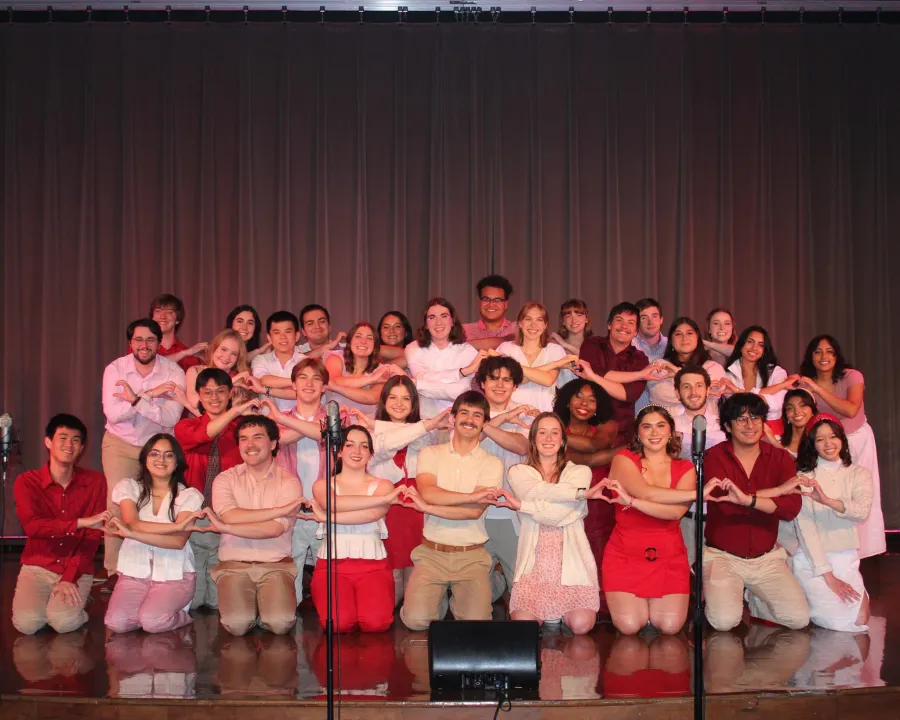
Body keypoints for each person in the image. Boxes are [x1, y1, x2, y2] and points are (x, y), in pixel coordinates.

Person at [701, 393, 809, 632]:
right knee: (724, 622)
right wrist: (775, 494)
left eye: (755, 418)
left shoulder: (780, 457)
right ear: (727, 426)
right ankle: (720, 587)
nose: (749, 425)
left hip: (766, 557)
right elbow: (724, 504)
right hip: (723, 556)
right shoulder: (713, 457)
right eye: (741, 419)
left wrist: (747, 499)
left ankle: (755, 598)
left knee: (799, 619)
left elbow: (791, 508)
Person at [399, 391, 505, 630]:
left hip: (472, 556)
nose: (470, 419)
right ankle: (441, 599)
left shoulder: (492, 463)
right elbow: (428, 492)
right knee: (416, 621)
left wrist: (430, 508)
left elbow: (473, 512)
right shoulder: (430, 453)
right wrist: (471, 496)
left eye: (477, 415)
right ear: (453, 418)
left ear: (485, 423)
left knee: (476, 625)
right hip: (432, 553)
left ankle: (494, 582)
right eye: (464, 413)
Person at [204, 415, 311, 636]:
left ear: (273, 443)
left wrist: (226, 528)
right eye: (243, 439)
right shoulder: (225, 479)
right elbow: (230, 516)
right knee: (237, 625)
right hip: (234, 564)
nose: (249, 444)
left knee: (280, 624)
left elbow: (274, 529)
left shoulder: (289, 481)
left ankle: (263, 610)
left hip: (275, 565)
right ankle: (253, 610)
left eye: (257, 437)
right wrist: (278, 511)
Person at [594, 407, 696, 635]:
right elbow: (645, 492)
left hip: (668, 557)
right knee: (629, 626)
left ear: (671, 431)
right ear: (638, 433)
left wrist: (631, 502)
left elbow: (675, 513)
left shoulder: (685, 468)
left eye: (660, 426)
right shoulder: (624, 459)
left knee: (670, 627)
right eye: (646, 427)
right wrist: (696, 494)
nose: (654, 432)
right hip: (625, 555)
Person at [101, 318, 187, 586]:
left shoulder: (173, 371)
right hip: (120, 444)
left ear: (159, 343)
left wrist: (136, 399)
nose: (144, 345)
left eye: (150, 339)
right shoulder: (115, 369)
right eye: (138, 339)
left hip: (158, 447)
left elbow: (170, 418)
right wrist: (151, 395)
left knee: (159, 503)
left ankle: (154, 567)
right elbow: (114, 414)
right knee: (118, 504)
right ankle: (114, 571)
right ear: (130, 343)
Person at [766, 416, 872, 632]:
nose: (828, 444)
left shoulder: (859, 473)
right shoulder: (804, 478)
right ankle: (803, 593)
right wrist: (828, 576)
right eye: (820, 439)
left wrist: (827, 501)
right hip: (812, 559)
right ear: (812, 444)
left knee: (861, 619)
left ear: (842, 439)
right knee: (840, 623)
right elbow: (806, 531)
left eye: (833, 437)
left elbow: (862, 511)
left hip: (846, 557)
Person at [355, 376, 450, 605]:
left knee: (415, 567)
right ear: (384, 401)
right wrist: (425, 424)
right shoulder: (369, 432)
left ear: (414, 403)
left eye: (406, 399)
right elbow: (385, 445)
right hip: (387, 505)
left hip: (417, 504)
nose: (399, 404)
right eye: (393, 398)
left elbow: (418, 442)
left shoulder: (425, 432)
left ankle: (410, 613)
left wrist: (424, 426)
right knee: (393, 570)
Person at [503, 413, 599, 634]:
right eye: (542, 432)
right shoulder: (518, 472)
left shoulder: (580, 472)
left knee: (582, 625)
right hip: (533, 565)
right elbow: (536, 494)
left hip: (572, 564)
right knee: (524, 628)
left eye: (554, 433)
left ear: (562, 439)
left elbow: (558, 515)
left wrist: (524, 506)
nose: (548, 438)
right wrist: (578, 494)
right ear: (533, 439)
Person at [12, 414, 108, 635]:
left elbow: (92, 537)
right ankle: (56, 604)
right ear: (48, 442)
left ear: (82, 447)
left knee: (62, 622)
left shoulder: (95, 482)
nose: (69, 445)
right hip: (38, 567)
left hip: (76, 567)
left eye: (75, 440)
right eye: (62, 438)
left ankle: (78, 604)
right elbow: (32, 527)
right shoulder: (27, 482)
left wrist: (69, 578)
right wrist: (79, 523)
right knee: (27, 625)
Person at [104, 434, 204, 634]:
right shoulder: (130, 488)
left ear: (177, 462)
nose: (161, 460)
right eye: (154, 454)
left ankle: (181, 615)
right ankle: (149, 610)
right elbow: (133, 523)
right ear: (145, 460)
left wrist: (133, 533)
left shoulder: (189, 495)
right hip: (134, 573)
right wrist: (176, 526)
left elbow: (178, 542)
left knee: (152, 622)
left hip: (174, 575)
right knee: (117, 623)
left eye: (169, 455)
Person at [797, 334, 885, 558]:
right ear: (810, 356)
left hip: (857, 439)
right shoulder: (805, 383)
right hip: (828, 445)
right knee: (830, 493)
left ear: (837, 356)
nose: (823, 356)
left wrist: (817, 389)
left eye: (829, 352)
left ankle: (864, 551)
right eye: (818, 352)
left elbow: (851, 410)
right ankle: (834, 548)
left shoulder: (852, 376)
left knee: (861, 494)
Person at [308, 426, 402, 632]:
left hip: (373, 565)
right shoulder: (322, 485)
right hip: (331, 566)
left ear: (371, 454)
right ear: (339, 451)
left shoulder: (384, 486)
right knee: (337, 625)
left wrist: (327, 518)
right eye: (350, 445)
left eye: (364, 446)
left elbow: (371, 515)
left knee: (376, 624)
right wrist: (383, 499)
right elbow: (333, 503)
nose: (357, 451)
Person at [174, 368, 255, 610]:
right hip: (195, 514)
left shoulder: (243, 429)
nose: (214, 397)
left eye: (220, 391)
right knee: (193, 602)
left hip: (230, 513)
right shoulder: (186, 426)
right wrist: (235, 411)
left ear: (230, 393)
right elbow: (207, 433)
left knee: (220, 603)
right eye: (207, 392)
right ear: (198, 395)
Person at [264, 358, 330, 600]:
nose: (309, 383)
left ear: (324, 387)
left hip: (324, 511)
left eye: (316, 378)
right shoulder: (275, 419)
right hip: (289, 511)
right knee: (289, 591)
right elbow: (277, 440)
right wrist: (305, 426)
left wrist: (287, 422)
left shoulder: (336, 417)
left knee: (328, 588)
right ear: (293, 385)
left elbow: (326, 433)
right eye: (303, 378)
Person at [552, 379, 619, 610]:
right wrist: (622, 450)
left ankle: (600, 612)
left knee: (599, 559)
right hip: (564, 507)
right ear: (567, 401)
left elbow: (593, 447)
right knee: (563, 560)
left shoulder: (607, 427)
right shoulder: (556, 429)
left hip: (600, 509)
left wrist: (553, 434)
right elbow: (585, 459)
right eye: (578, 397)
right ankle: (564, 609)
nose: (584, 403)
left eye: (592, 400)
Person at [475, 355, 535, 601]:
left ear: (515, 385)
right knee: (479, 598)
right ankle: (496, 583)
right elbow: (465, 444)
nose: (500, 385)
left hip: (514, 511)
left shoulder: (526, 414)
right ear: (482, 383)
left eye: (507, 380)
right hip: (476, 511)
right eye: (493, 379)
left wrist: (482, 425)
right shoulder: (470, 410)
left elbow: (521, 446)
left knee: (522, 594)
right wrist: (498, 420)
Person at [672, 366, 728, 565]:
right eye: (686, 387)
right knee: (686, 569)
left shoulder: (725, 425)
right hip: (685, 512)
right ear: (677, 392)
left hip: (720, 513)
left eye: (698, 386)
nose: (693, 392)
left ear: (708, 389)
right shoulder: (668, 426)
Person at [577, 302, 651, 445]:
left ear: (636, 332)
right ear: (609, 325)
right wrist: (639, 374)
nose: (624, 326)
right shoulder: (592, 344)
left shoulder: (640, 359)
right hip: (586, 426)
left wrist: (593, 377)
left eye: (630, 323)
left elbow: (626, 395)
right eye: (619, 320)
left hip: (622, 432)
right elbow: (596, 372)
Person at [405, 297, 481, 420]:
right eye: (432, 317)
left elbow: (459, 392)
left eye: (444, 316)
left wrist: (417, 384)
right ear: (425, 324)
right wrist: (462, 372)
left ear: (452, 321)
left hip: (457, 421)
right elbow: (421, 376)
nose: (438, 322)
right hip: (423, 421)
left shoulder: (468, 351)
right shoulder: (413, 348)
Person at [496, 302, 578, 412]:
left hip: (543, 416)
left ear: (545, 325)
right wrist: (554, 364)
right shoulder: (506, 348)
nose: (533, 325)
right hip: (508, 415)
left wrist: (513, 368)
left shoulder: (554, 350)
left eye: (539, 320)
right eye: (528, 319)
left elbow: (547, 380)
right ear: (520, 323)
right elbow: (504, 383)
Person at [648, 317, 727, 413]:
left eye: (689, 333)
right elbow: (662, 393)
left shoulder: (713, 367)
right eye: (678, 334)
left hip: (706, 422)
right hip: (668, 421)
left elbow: (716, 390)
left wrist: (677, 374)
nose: (684, 338)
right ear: (671, 340)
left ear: (697, 337)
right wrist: (701, 388)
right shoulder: (659, 366)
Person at [720, 326, 798, 422]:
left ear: (764, 350)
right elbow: (737, 407)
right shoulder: (728, 374)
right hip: (740, 427)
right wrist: (780, 386)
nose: (754, 348)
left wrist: (738, 391)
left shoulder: (777, 372)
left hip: (772, 427)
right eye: (750, 342)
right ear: (741, 345)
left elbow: (776, 405)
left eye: (761, 345)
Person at [325, 321, 395, 417]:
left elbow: (372, 397)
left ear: (375, 345)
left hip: (366, 424)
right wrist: (371, 379)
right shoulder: (336, 358)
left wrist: (337, 388)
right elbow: (333, 380)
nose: (363, 342)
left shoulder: (381, 370)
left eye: (369, 338)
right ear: (350, 341)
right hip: (335, 424)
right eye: (358, 336)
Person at [178, 329, 253, 416]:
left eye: (234, 354)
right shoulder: (195, 371)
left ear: (238, 358)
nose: (227, 357)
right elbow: (195, 402)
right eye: (224, 349)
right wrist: (231, 382)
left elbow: (228, 416)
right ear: (214, 349)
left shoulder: (241, 379)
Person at [250, 311, 307, 411]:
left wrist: (267, 389)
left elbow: (304, 394)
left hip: (297, 419)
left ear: (297, 336)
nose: (282, 337)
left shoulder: (306, 362)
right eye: (276, 332)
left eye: (288, 332)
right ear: (269, 338)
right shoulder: (260, 360)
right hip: (266, 419)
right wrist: (297, 381)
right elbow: (264, 380)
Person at [147, 294, 207, 371]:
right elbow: (147, 368)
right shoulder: (140, 346)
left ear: (177, 320)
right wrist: (184, 354)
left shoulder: (191, 357)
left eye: (169, 312)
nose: (162, 317)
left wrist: (209, 360)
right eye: (158, 311)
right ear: (152, 317)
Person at [463, 274, 518, 350]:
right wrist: (507, 339)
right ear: (480, 302)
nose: (491, 304)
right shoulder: (463, 331)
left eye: (497, 300)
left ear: (506, 304)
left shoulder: (516, 328)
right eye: (486, 299)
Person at [632, 298, 668, 412]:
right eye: (644, 317)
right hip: (636, 407)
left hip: (667, 408)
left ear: (661, 320)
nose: (650, 322)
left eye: (654, 316)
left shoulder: (671, 345)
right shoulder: (629, 345)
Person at [550, 299, 593, 388]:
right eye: (568, 316)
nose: (574, 320)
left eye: (579, 315)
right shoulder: (554, 347)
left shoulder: (595, 345)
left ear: (586, 319)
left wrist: (565, 345)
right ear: (563, 321)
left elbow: (595, 365)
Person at [763, 389, 818, 457]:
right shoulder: (777, 439)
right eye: (790, 408)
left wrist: (775, 444)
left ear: (813, 410)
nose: (797, 411)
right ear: (786, 415)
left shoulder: (819, 442)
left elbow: (801, 464)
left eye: (802, 405)